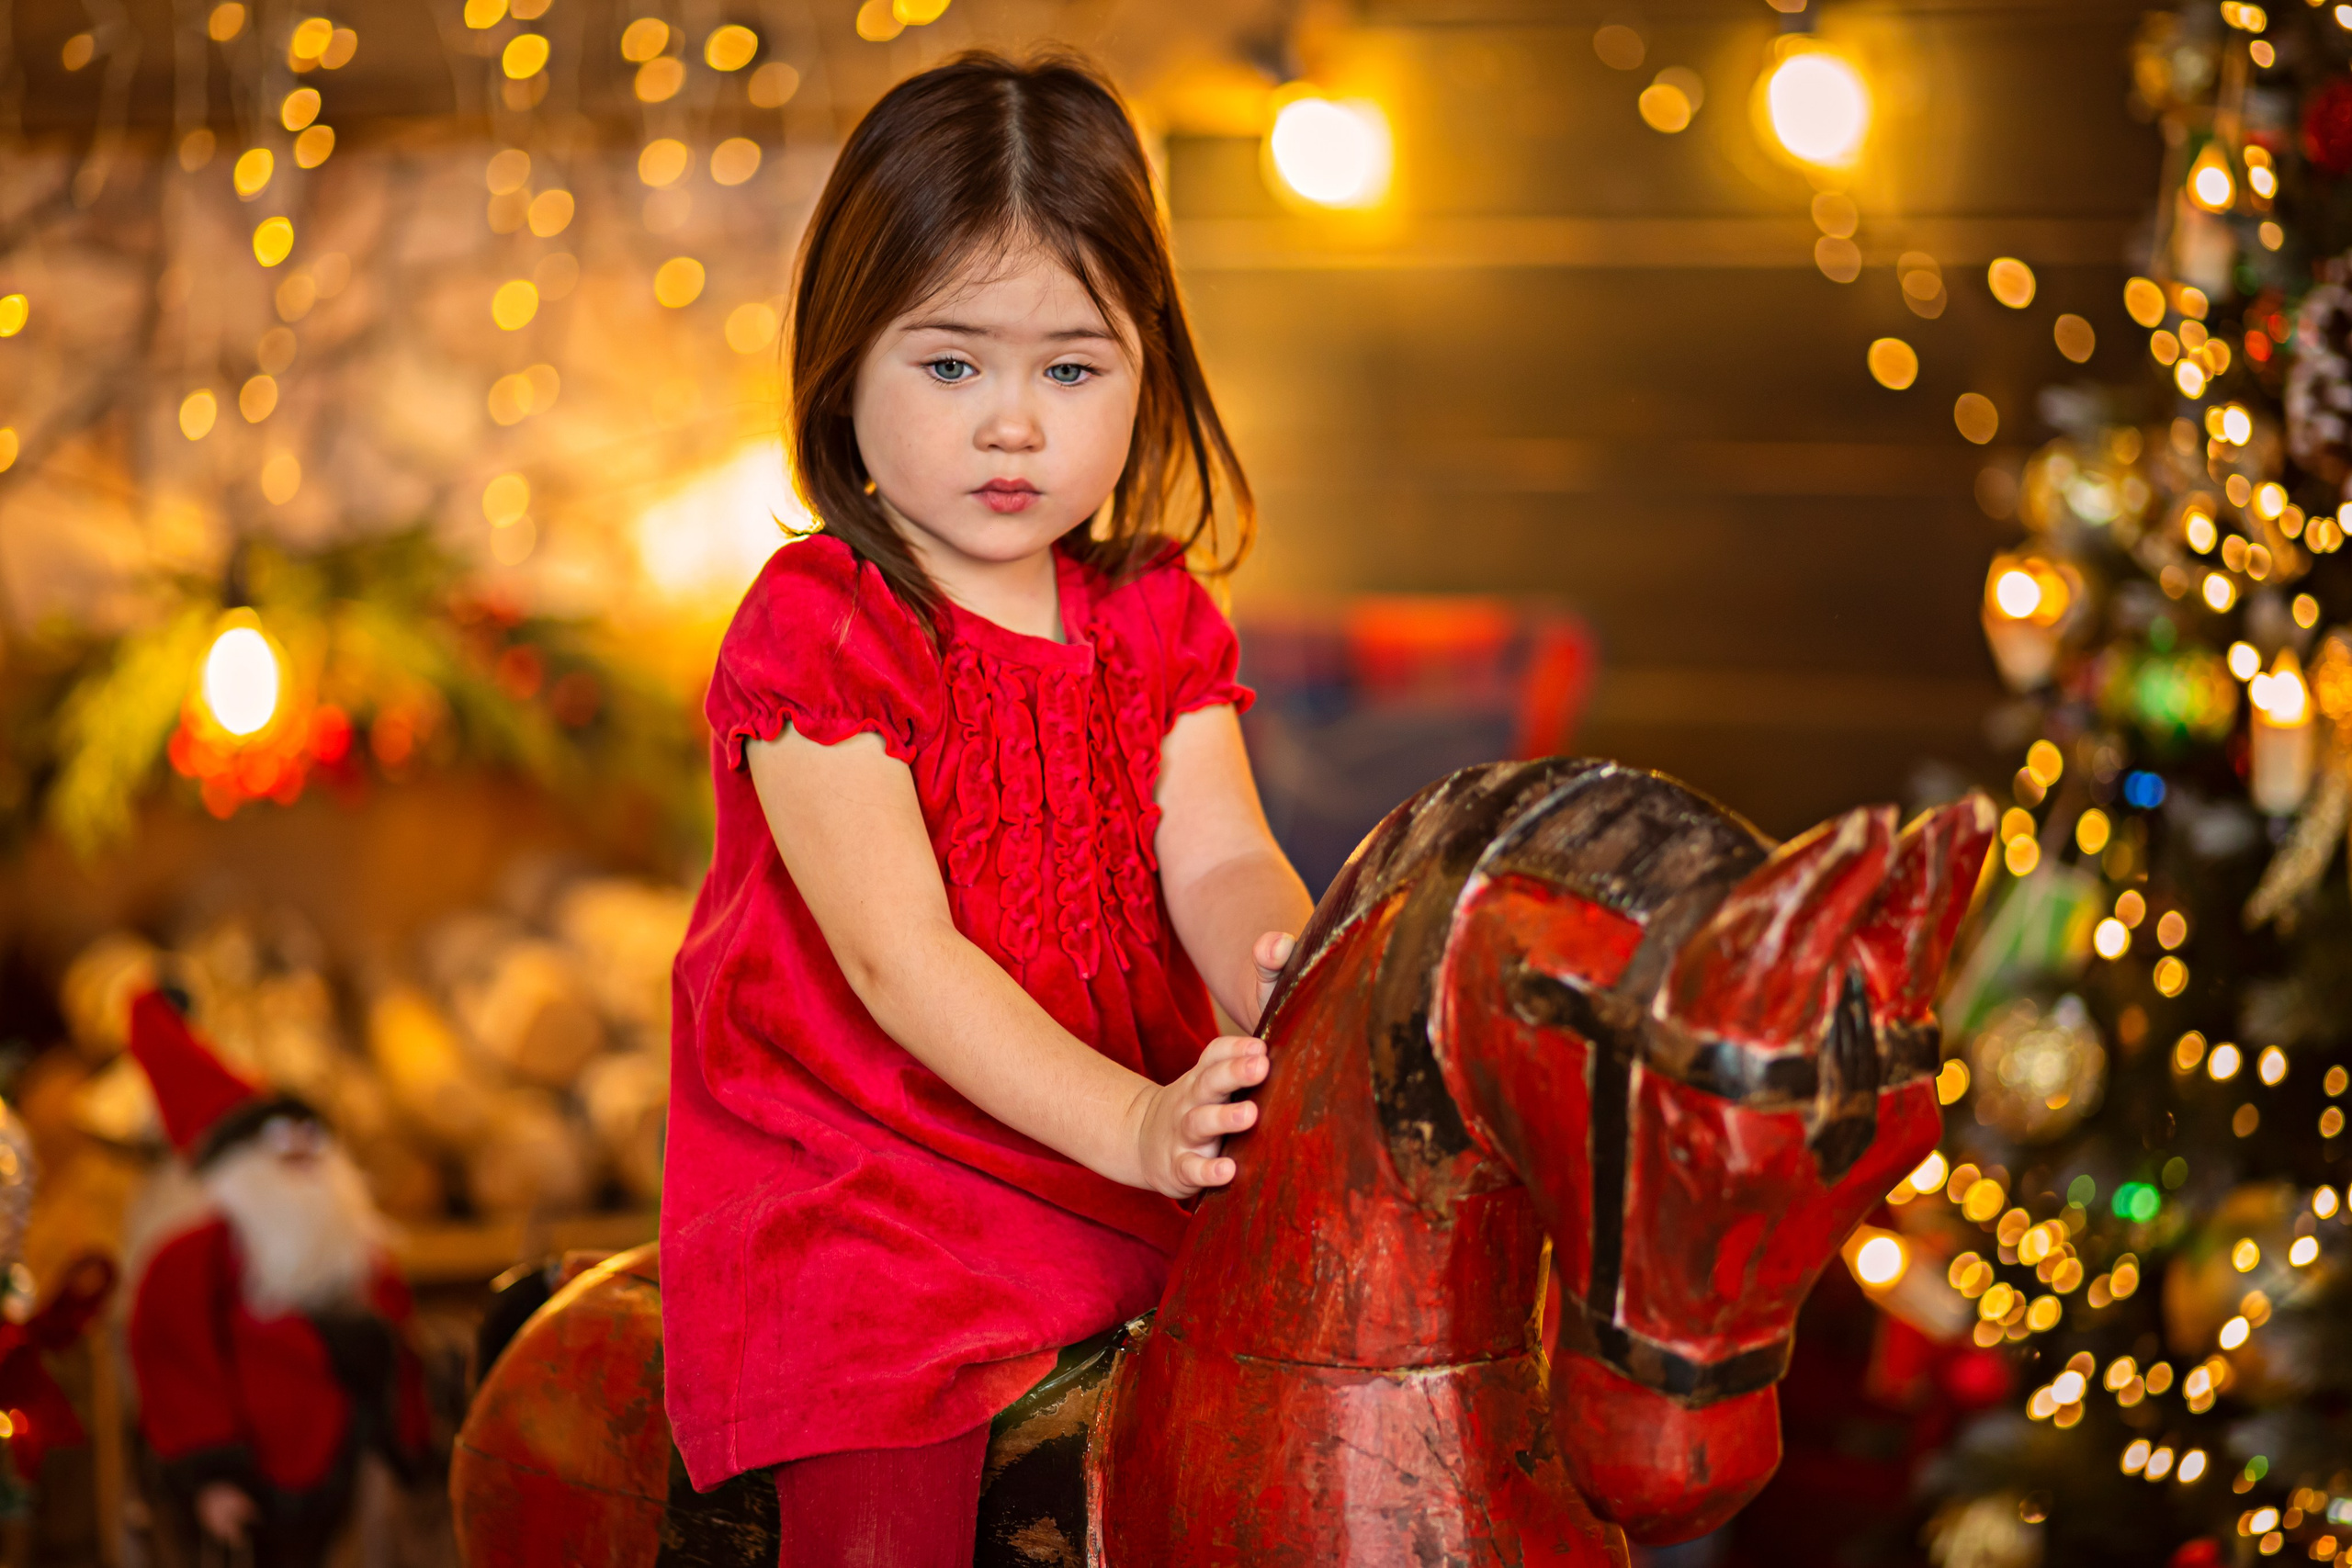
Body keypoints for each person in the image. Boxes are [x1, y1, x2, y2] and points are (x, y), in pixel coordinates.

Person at [661, 49, 1315, 1568]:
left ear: (1146, 371)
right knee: (888, 1485)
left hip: (1130, 1149)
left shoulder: (1156, 615)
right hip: (874, 1179)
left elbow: (1222, 851)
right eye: (952, 366)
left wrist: (1289, 967)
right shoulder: (824, 627)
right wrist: (1133, 1121)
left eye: (1070, 371)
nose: (1013, 424)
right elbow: (901, 961)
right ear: (846, 366)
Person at [123, 988, 429, 1568]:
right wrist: (212, 1474)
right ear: (241, 1170)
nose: (303, 1160)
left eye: (314, 1144)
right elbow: (179, 1366)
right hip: (258, 1477)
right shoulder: (191, 1260)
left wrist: (409, 1442)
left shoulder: (360, 1255)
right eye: (283, 1151)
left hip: (356, 1464)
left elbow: (400, 1343)